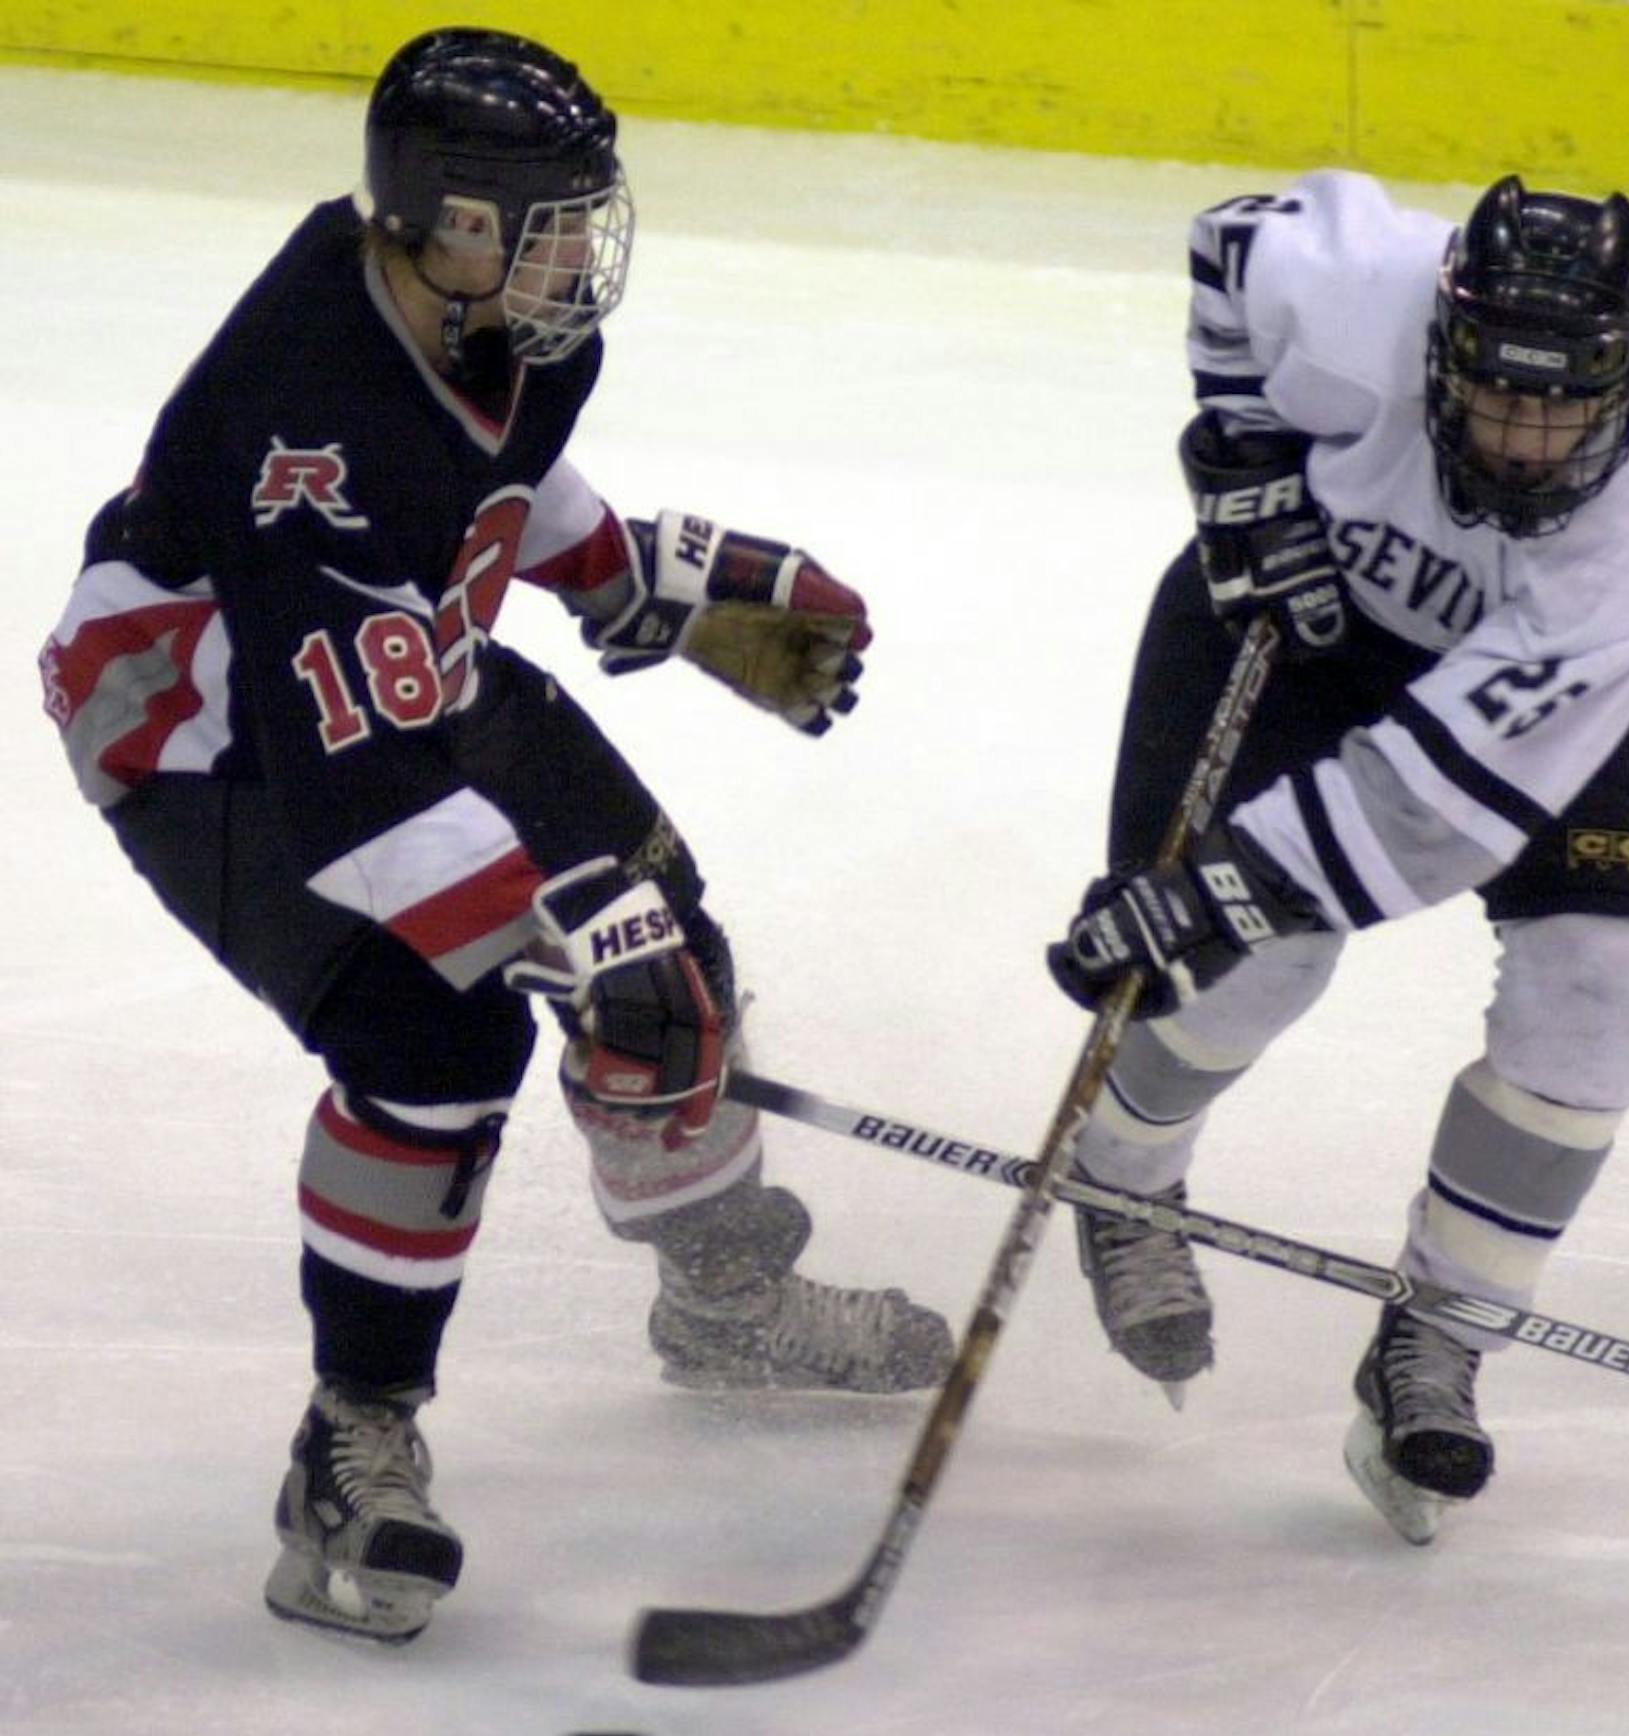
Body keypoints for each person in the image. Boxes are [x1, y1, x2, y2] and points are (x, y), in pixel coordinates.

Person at [36, 27, 954, 1643]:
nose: (578, 254)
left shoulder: (482, 317)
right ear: (446, 221)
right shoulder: (287, 424)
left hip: (389, 672)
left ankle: (722, 1296)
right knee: (438, 1032)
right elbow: (356, 785)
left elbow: (484, 478)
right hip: (216, 744)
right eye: (543, 222)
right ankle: (353, 1439)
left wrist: (635, 585)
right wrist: (554, 938)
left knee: (670, 935)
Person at [1046, 171, 1629, 1545]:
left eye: (1565, 406)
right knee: (1244, 972)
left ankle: (1443, 1336)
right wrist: (1241, 461)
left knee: (1606, 992)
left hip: (1549, 706)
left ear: (1626, 382)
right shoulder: (1363, 290)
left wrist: (1223, 880)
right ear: (1440, 345)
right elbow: (1231, 244)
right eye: (1495, 397)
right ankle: (1122, 1171)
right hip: (1304, 620)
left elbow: (1430, 807)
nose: (1527, 443)